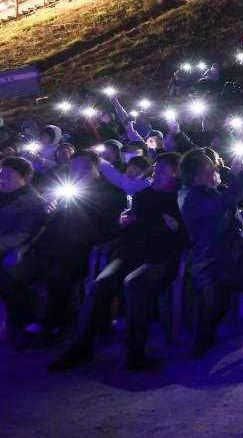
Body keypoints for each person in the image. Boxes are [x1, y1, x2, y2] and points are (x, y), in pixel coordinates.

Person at [48, 153, 188, 372]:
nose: (155, 174)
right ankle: (82, 347)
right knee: (101, 283)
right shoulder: (143, 196)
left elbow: (190, 238)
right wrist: (121, 224)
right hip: (130, 253)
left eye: (161, 170)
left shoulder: (181, 199)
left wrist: (177, 229)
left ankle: (135, 352)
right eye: (155, 169)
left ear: (176, 173)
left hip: (161, 257)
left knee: (135, 283)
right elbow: (121, 230)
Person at [0, 150, 127, 349]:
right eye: (74, 168)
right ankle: (27, 324)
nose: (78, 172)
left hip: (81, 252)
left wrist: (78, 213)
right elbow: (50, 225)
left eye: (84, 168)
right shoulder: (68, 190)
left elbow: (105, 228)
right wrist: (48, 213)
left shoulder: (112, 193)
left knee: (57, 277)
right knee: (9, 276)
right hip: (50, 251)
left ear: (96, 167)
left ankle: (54, 325)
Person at [179, 148, 243, 357]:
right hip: (212, 264)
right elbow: (223, 203)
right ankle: (203, 338)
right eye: (210, 164)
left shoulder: (217, 192)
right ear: (197, 173)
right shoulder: (190, 197)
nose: (216, 167)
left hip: (237, 261)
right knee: (216, 304)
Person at [0, 157, 47, 256]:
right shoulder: (4, 191)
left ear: (26, 179)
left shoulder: (35, 202)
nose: (2, 180)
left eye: (8, 176)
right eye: (1, 175)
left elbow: (21, 236)